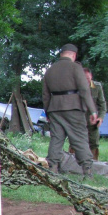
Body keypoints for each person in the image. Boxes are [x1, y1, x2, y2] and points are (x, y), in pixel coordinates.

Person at [42, 43, 98, 176]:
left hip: (54, 108)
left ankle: (52, 169)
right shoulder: (75, 67)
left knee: (56, 139)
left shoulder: (50, 70)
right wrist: (93, 110)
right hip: (74, 107)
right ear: (73, 55)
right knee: (79, 138)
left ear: (61, 54)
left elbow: (45, 94)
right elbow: (84, 89)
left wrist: (48, 112)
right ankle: (87, 170)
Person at [83, 68, 106, 161]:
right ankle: (73, 165)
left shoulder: (97, 87)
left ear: (91, 76)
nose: (86, 80)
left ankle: (94, 164)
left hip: (92, 121)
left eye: (88, 78)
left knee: (94, 143)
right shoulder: (76, 87)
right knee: (75, 142)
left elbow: (102, 105)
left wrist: (100, 118)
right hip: (79, 120)